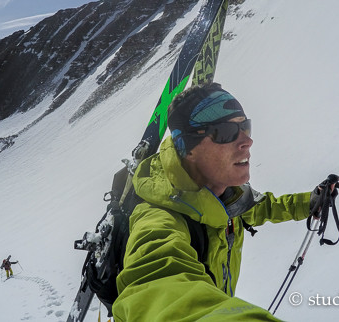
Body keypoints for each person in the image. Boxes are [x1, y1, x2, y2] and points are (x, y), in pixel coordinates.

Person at [113, 83, 323, 321]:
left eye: (245, 126)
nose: (247, 141)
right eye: (226, 132)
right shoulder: (157, 220)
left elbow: (260, 208)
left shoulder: (228, 195)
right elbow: (159, 286)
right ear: (187, 147)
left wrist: (309, 202)